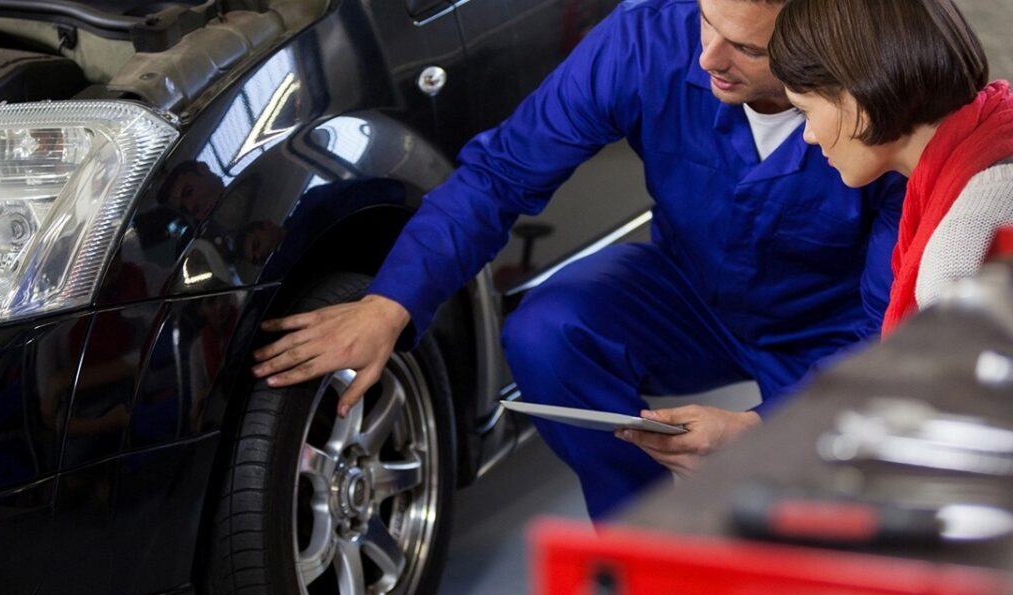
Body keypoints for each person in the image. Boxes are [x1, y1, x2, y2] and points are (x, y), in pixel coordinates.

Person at [252, 0, 906, 520]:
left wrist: (760, 428)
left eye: (748, 47)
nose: (709, 56)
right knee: (547, 331)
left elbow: (889, 331)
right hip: (688, 291)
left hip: (831, 331)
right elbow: (501, 174)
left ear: (818, 42)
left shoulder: (889, 101)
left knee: (842, 525)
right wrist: (389, 302)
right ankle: (648, 536)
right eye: (708, 20)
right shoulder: (646, 44)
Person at [768, 0, 1013, 336]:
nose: (808, 135)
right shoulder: (991, 160)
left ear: (858, 98)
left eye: (805, 111)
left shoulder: (961, 250)